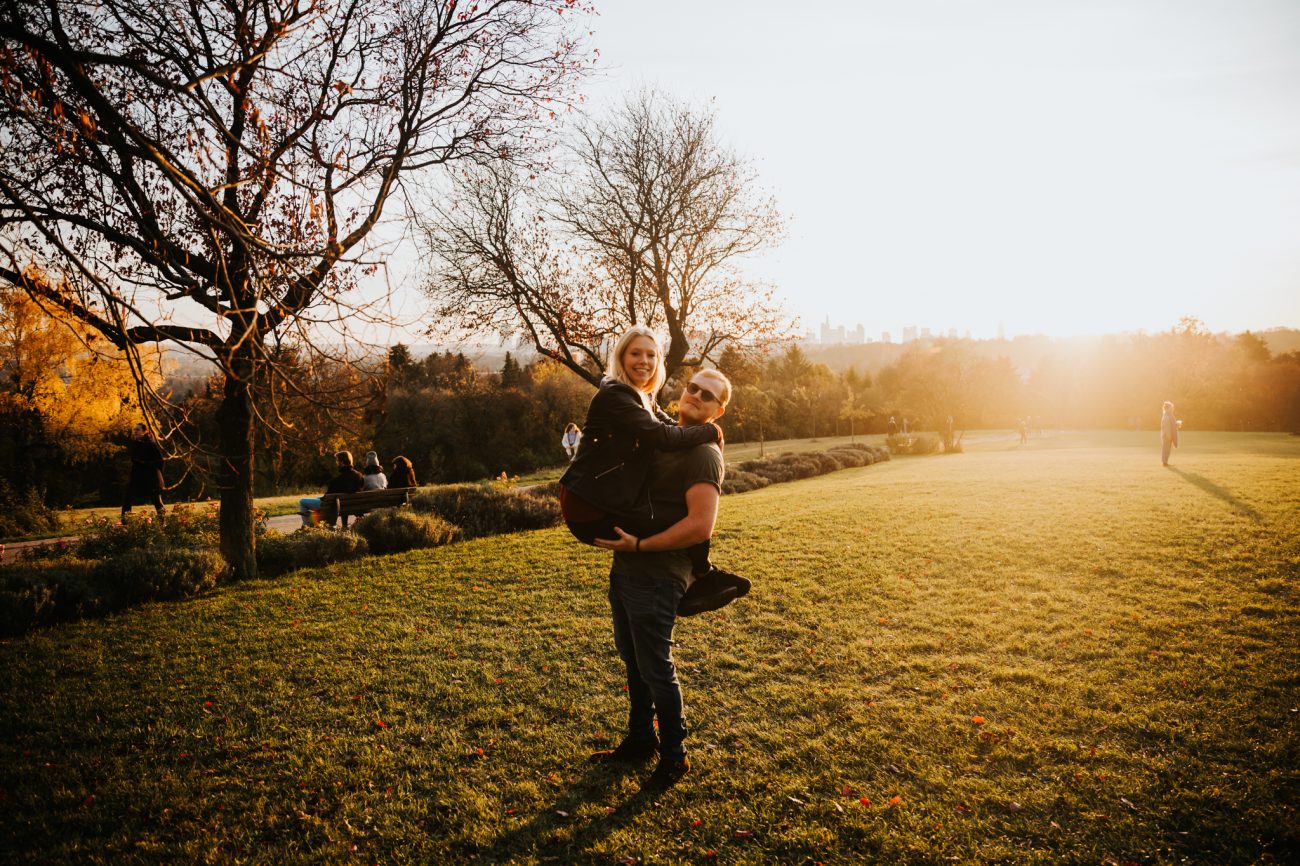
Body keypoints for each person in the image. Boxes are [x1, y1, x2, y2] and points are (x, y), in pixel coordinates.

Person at [588, 368, 735, 789]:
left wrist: (638, 546)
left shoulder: (704, 453)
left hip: (659, 572)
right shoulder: (664, 435)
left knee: (656, 668)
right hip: (628, 568)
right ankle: (640, 739)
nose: (695, 395)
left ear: (718, 410)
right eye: (692, 387)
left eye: (707, 395)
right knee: (634, 660)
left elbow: (699, 527)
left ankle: (675, 756)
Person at [560, 326, 725, 582]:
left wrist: (700, 435)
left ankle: (702, 574)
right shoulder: (615, 395)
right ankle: (703, 574)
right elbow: (663, 437)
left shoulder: (641, 396)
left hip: (603, 497)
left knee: (684, 516)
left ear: (658, 361)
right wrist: (711, 430)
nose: (643, 361)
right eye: (635, 353)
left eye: (651, 355)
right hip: (588, 507)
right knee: (688, 519)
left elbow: (669, 426)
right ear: (622, 357)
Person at [299, 450, 365, 527]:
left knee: (302, 502)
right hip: (349, 505)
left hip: (332, 506)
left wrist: (323, 498)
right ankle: (334, 525)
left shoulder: (338, 480)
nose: (336, 463)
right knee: (317, 498)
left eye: (337, 461)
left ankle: (307, 526)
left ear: (342, 462)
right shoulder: (359, 476)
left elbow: (327, 497)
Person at [121, 423, 164, 517]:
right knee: (127, 499)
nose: (135, 432)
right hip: (136, 476)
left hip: (150, 476)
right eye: (134, 430)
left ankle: (162, 522)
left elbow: (159, 462)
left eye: (138, 430)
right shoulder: (135, 444)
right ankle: (125, 522)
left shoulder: (151, 445)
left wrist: (160, 477)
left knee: (156, 500)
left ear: (144, 431)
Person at [1160, 401, 1180, 466]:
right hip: (1167, 435)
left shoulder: (1169, 416)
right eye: (1171, 408)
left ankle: (1165, 461)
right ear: (1167, 408)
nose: (1172, 409)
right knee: (1165, 449)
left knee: (1167, 449)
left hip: (1168, 435)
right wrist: (1169, 436)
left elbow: (1171, 426)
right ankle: (1164, 461)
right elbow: (1166, 428)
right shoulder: (1166, 416)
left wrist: (1176, 425)